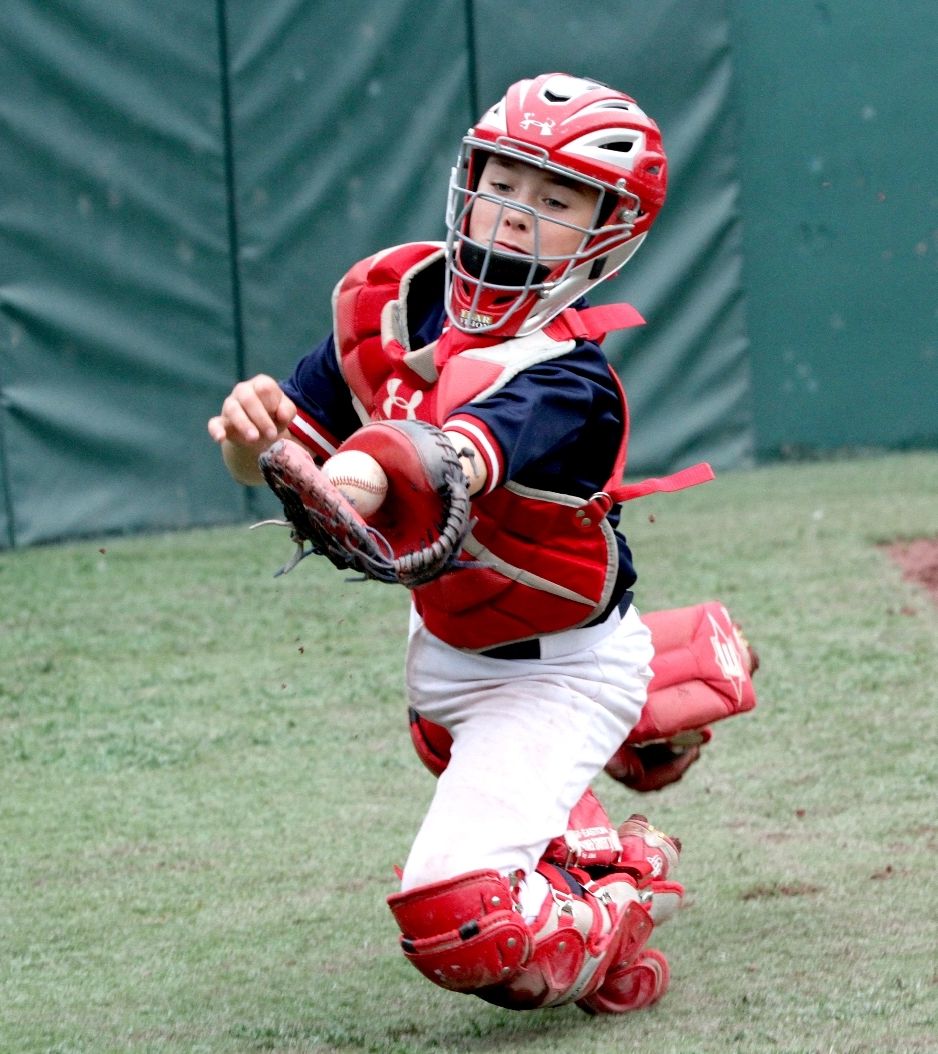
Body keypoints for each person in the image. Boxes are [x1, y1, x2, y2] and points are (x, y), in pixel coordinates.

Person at [208, 74, 734, 1015]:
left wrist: (336, 478)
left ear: (608, 233)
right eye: (503, 177)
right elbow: (276, 457)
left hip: (561, 670)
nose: (516, 209)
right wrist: (260, 446)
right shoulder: (391, 305)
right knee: (439, 735)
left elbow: (437, 465)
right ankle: (589, 796)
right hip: (450, 660)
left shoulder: (573, 380)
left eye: (556, 197)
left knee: (466, 928)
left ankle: (627, 878)